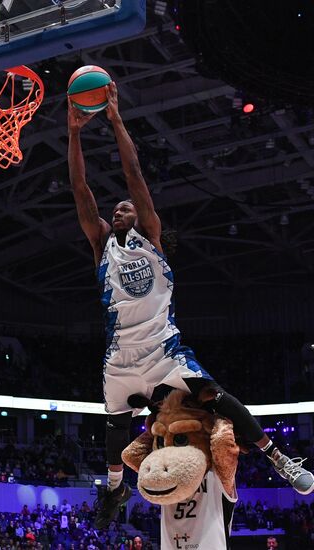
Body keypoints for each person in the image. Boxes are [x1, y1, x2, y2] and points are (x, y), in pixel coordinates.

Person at [67, 81, 314, 529]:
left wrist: (116, 119)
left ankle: (279, 459)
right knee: (114, 429)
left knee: (219, 399)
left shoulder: (151, 237)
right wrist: (74, 132)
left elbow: (134, 173)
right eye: (117, 209)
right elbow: (80, 187)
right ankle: (115, 488)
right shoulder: (102, 245)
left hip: (165, 351)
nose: (120, 208)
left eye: (126, 207)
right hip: (120, 357)